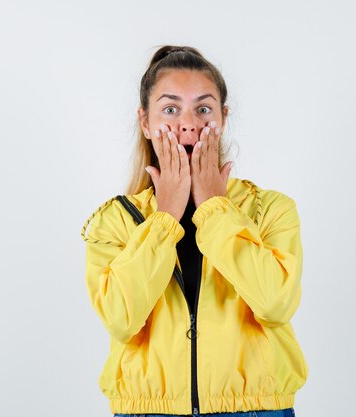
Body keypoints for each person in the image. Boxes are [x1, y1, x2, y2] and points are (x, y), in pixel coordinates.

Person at [80, 45, 308, 417]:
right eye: (170, 109)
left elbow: (275, 304)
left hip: (256, 409)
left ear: (223, 117)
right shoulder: (114, 221)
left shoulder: (271, 209)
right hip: (146, 411)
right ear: (145, 121)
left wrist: (215, 209)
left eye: (203, 109)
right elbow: (121, 319)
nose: (188, 123)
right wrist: (165, 217)